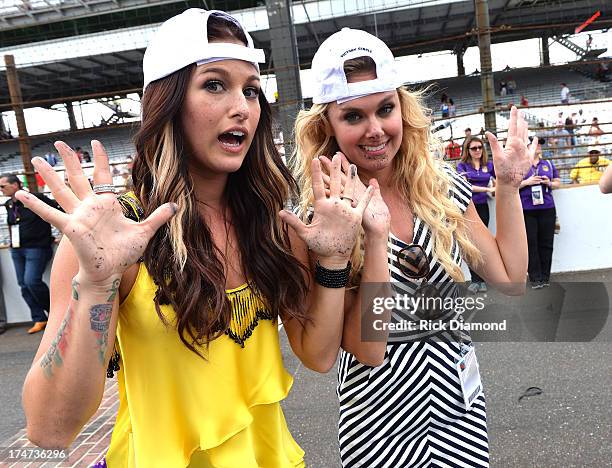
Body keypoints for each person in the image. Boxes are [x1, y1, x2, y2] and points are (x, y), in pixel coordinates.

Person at [19, 10, 375, 466]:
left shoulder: (271, 224)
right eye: (214, 84)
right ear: (167, 103)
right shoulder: (119, 234)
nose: (242, 107)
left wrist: (333, 259)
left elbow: (321, 356)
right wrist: (96, 285)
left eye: (251, 89)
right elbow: (50, 430)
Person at [294, 27, 532, 467]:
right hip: (380, 414)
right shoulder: (321, 218)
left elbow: (511, 279)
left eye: (385, 109)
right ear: (326, 123)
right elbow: (368, 349)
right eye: (353, 116)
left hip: (457, 397)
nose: (376, 130)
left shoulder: (442, 190)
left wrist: (509, 186)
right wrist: (376, 237)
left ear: (403, 109)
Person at [0, 174, 59, 334]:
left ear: (15, 185)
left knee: (31, 281)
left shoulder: (35, 198)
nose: (1, 189)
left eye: (3, 186)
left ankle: (55, 314)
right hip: (17, 249)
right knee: (24, 285)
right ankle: (39, 318)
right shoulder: (8, 204)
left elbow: (56, 209)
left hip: (37, 247)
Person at [519, 138, 561, 288]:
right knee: (531, 244)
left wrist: (548, 183)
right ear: (527, 147)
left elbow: (557, 182)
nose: (539, 146)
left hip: (547, 209)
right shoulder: (521, 166)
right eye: (535, 144)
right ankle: (535, 278)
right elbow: (512, 185)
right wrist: (527, 182)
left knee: (547, 244)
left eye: (540, 144)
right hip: (527, 210)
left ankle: (545, 277)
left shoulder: (548, 164)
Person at [457, 136, 496, 293]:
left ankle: (482, 279)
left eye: (480, 147)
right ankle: (475, 279)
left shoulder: (489, 165)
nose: (478, 150)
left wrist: (495, 188)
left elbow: (499, 179)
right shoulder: (462, 166)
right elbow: (466, 186)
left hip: (483, 207)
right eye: (474, 148)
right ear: (467, 150)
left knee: (482, 243)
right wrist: (488, 189)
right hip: (467, 208)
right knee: (470, 244)